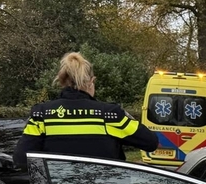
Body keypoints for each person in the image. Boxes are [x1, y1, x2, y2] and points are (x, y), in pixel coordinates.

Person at [14, 52, 158, 165]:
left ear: (62, 81)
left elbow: (21, 159)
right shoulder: (110, 115)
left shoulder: (42, 114)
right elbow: (151, 142)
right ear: (91, 81)